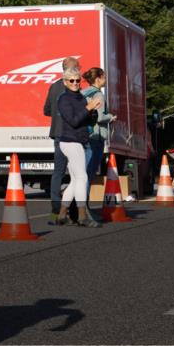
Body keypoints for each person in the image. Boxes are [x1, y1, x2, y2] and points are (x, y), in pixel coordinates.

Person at [53, 67, 103, 227]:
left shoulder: (80, 97)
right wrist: (88, 108)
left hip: (80, 141)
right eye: (71, 80)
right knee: (82, 178)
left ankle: (62, 215)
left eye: (77, 80)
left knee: (75, 180)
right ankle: (82, 216)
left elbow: (87, 120)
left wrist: (93, 112)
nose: (75, 83)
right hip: (70, 141)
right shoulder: (64, 99)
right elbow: (73, 121)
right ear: (65, 82)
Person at [45, 56, 79, 222]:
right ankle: (74, 209)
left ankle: (56, 206)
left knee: (58, 172)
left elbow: (46, 110)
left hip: (57, 134)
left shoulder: (53, 86)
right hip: (71, 135)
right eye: (77, 67)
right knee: (76, 173)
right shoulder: (73, 87)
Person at [81, 67, 116, 215]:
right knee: (89, 173)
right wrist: (111, 117)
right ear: (98, 79)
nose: (106, 79)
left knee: (83, 172)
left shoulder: (84, 93)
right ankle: (84, 208)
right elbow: (100, 117)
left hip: (86, 135)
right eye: (104, 77)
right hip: (96, 136)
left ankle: (79, 206)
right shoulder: (98, 95)